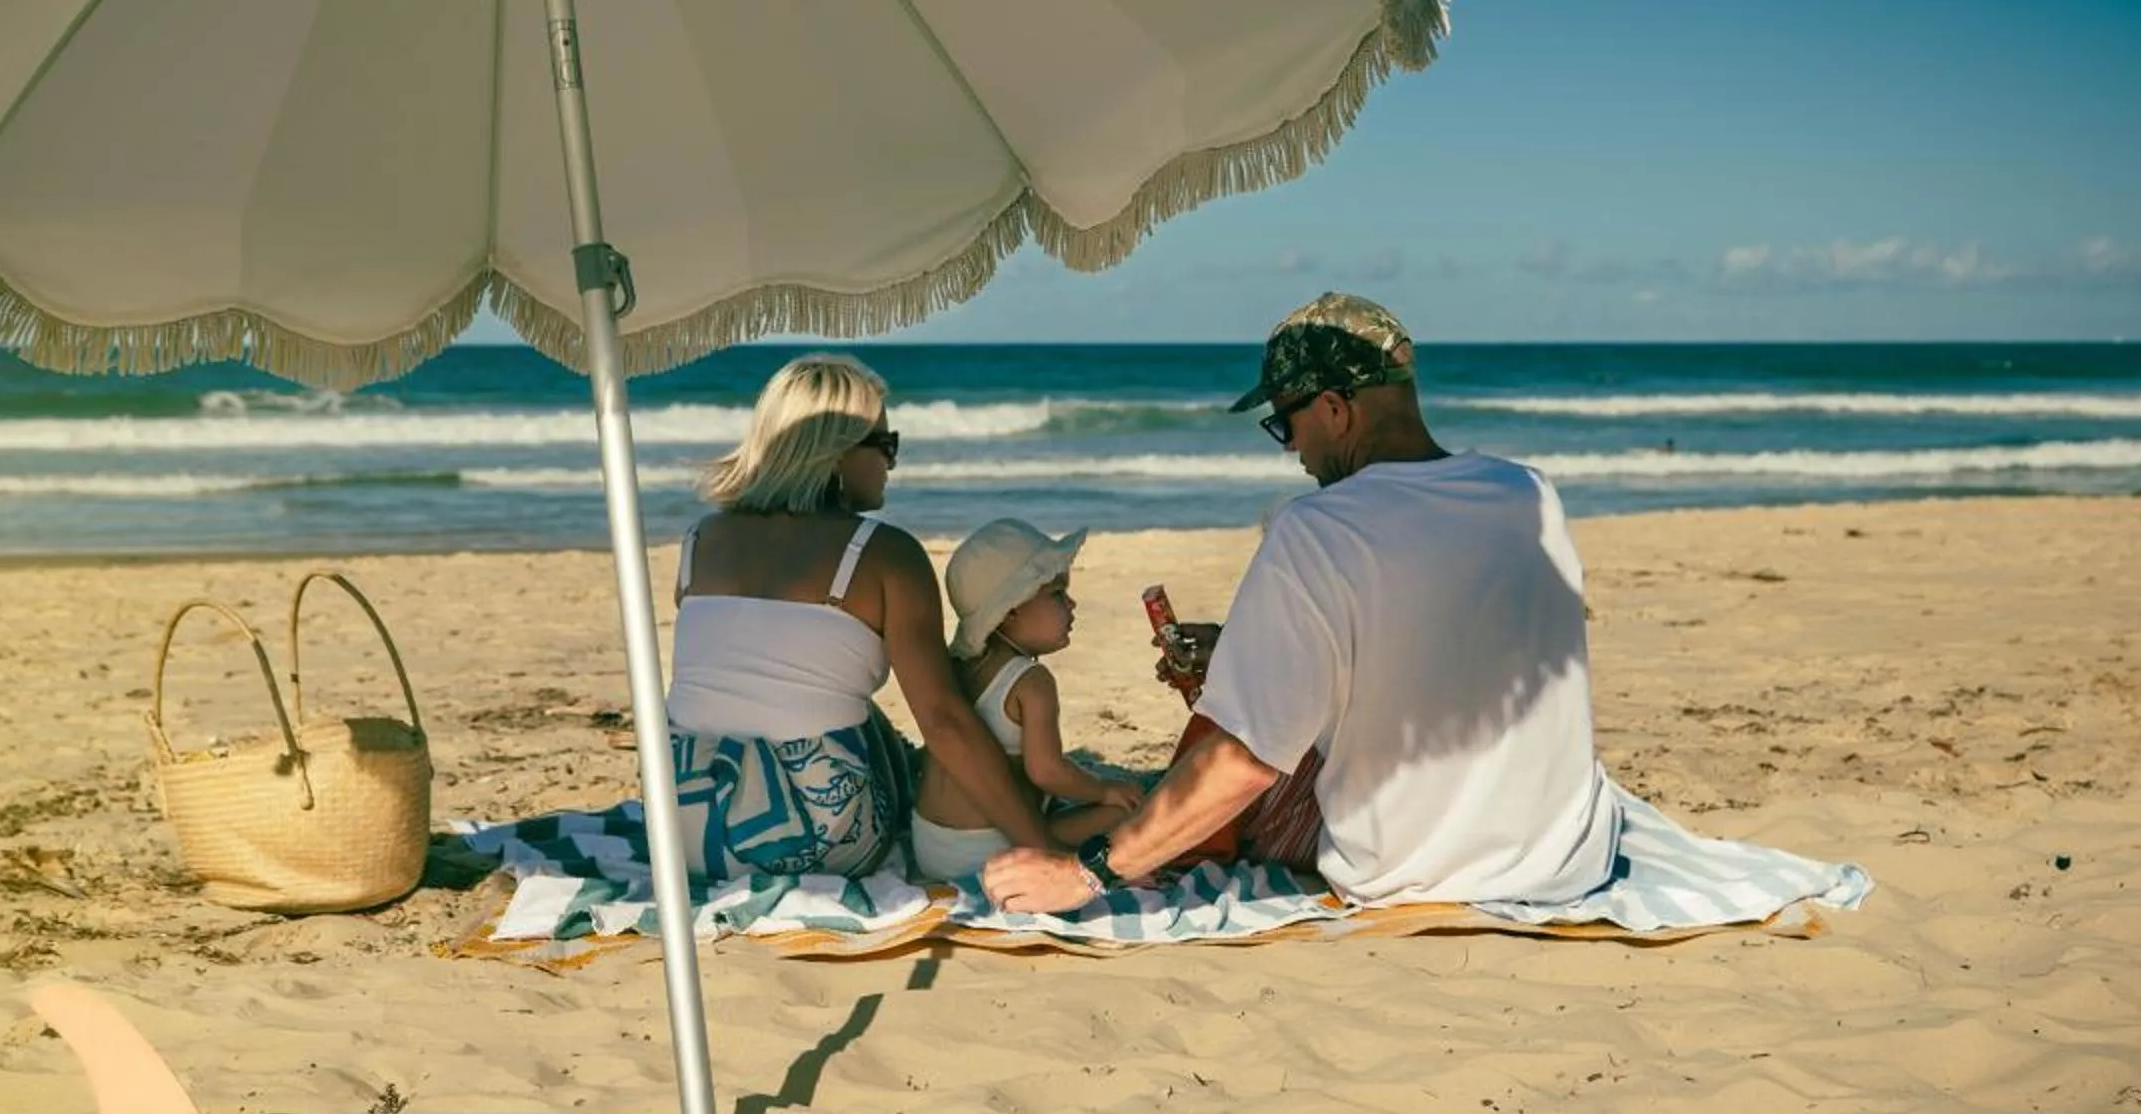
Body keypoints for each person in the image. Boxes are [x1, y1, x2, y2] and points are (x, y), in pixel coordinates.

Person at [982, 293, 1621, 914]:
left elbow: (1244, 763)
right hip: (1561, 854)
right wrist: (1241, 645)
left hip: (1417, 868)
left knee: (1224, 733)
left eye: (1285, 422)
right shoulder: (1528, 495)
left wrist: (1085, 875)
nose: (1290, 446)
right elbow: (1440, 636)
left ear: (1337, 410)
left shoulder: (1319, 527)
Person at [667, 354, 1047, 881]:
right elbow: (944, 721)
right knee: (884, 723)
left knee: (845, 711)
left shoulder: (700, 539)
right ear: (838, 453)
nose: (892, 462)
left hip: (682, 829)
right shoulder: (885, 553)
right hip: (808, 840)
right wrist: (1041, 845)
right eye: (886, 445)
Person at [908, 519, 1148, 880]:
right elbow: (1047, 771)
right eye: (1055, 594)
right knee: (1128, 813)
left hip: (930, 847)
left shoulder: (957, 667)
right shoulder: (1030, 682)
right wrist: (1103, 789)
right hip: (989, 851)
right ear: (1011, 612)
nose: (1071, 602)